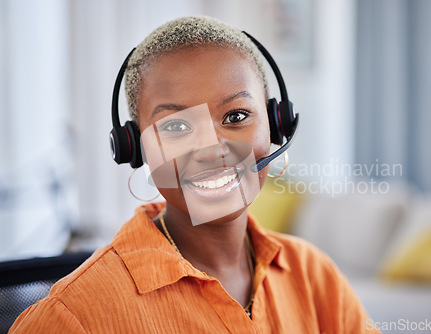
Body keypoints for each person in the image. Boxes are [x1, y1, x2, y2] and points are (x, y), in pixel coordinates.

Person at [10, 16, 379, 333]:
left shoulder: (314, 277)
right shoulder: (72, 316)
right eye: (175, 127)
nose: (212, 149)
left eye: (235, 116)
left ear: (276, 124)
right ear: (134, 149)